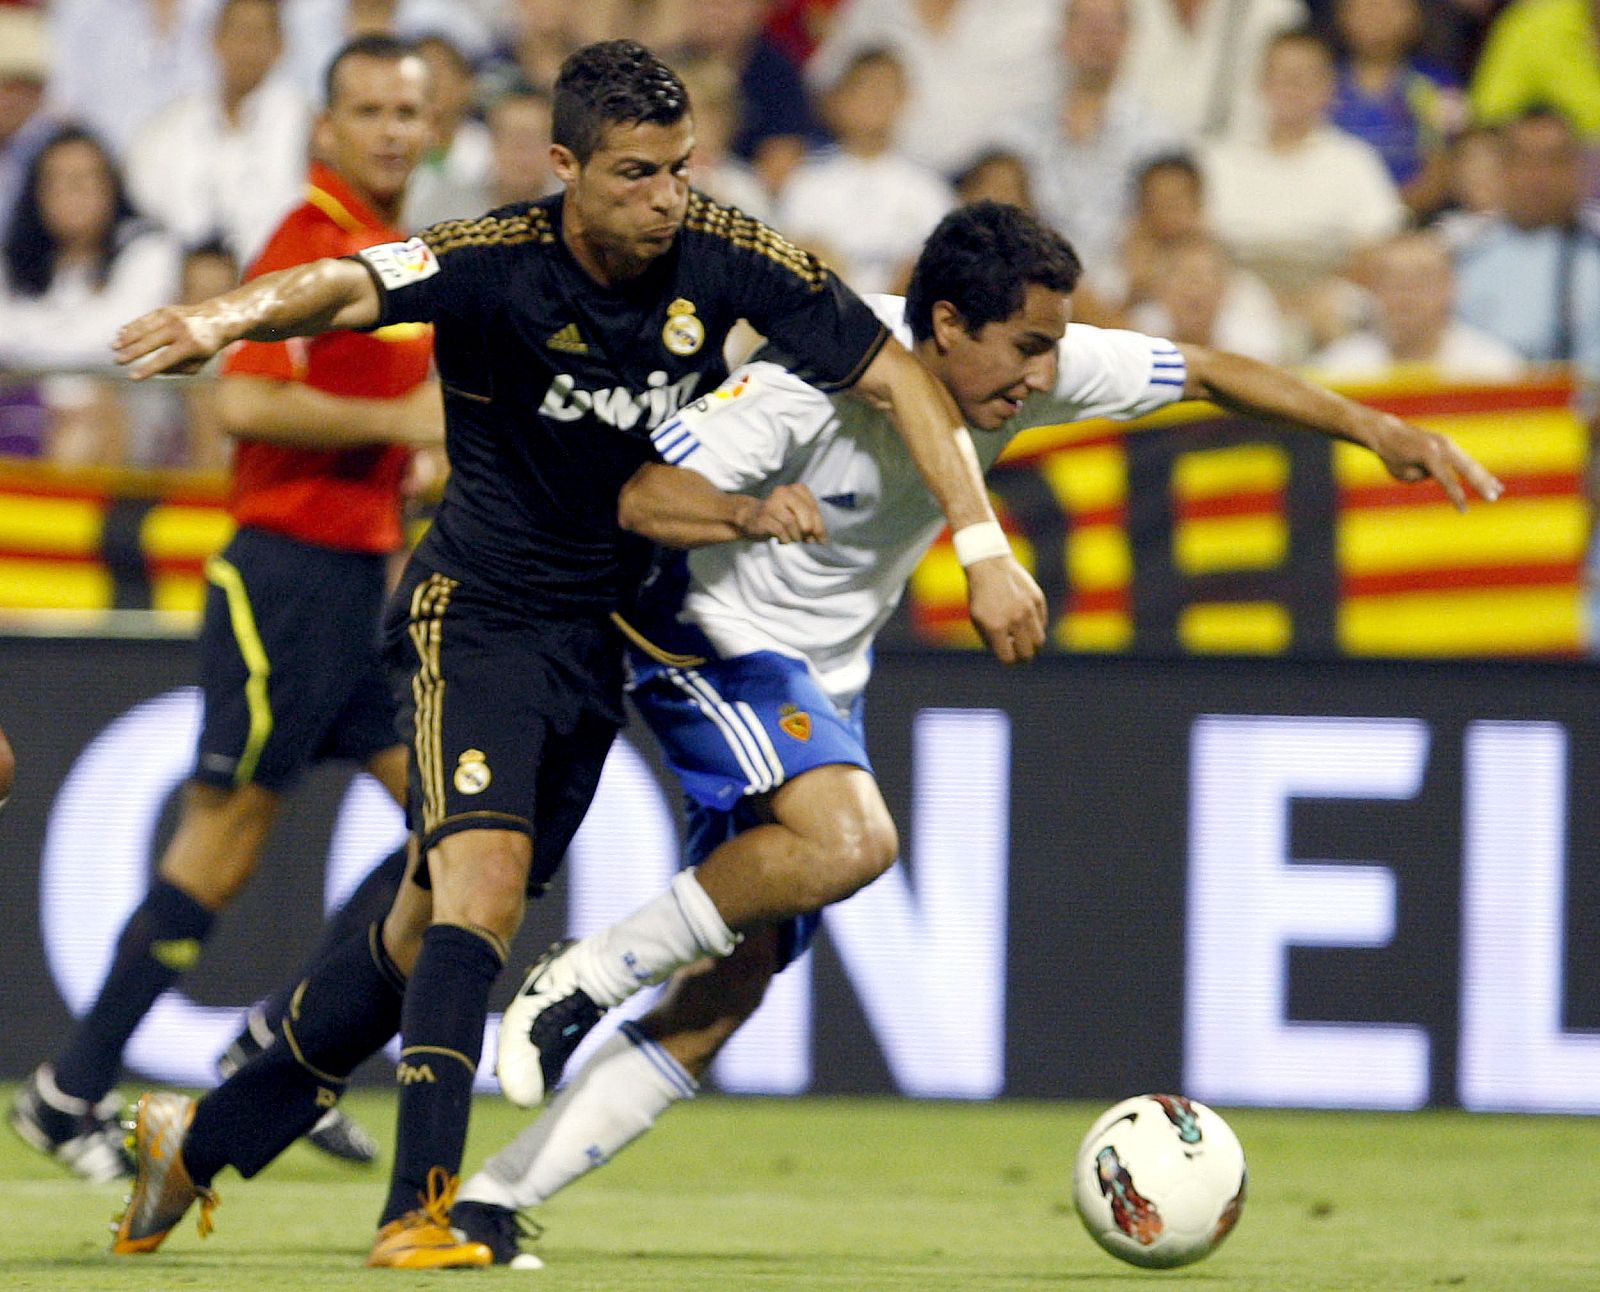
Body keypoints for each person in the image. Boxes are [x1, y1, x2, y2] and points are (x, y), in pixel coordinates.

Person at [105, 40, 1044, 1270]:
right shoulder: (493, 258)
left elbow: (903, 381)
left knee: (412, 938)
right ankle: (420, 1213)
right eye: (636, 173)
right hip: (475, 612)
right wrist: (217, 316)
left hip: (595, 641)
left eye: (678, 169)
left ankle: (197, 1139)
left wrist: (980, 544)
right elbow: (339, 283)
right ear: (565, 166)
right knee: (481, 887)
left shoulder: (725, 250)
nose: (666, 197)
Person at [463, 200, 1501, 1267]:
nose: (1045, 377)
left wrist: (1377, 429)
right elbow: (640, 492)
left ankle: (490, 1199)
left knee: (736, 978)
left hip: (820, 676)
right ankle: (586, 975)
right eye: (1029, 347)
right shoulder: (806, 370)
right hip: (702, 633)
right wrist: (744, 510)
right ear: (946, 323)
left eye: (1054, 346)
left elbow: (1206, 370)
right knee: (850, 842)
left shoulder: (1019, 361)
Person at [8, 34, 442, 1185]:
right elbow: (244, 398)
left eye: (408, 109)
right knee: (229, 835)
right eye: (371, 110)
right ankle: (72, 1088)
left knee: (448, 823)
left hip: (358, 579)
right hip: (284, 575)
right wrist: (399, 434)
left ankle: (269, 1039)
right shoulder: (309, 248)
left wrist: (417, 468)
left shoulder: (401, 260)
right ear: (326, 130)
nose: (394, 129)